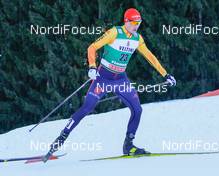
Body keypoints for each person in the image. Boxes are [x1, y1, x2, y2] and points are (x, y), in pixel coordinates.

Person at [43, 8, 176, 162]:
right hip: (103, 79)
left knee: (137, 110)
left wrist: (166, 74)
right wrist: (92, 67)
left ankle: (129, 146)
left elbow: (150, 57)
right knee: (87, 107)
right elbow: (92, 47)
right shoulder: (114, 32)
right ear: (126, 21)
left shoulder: (137, 39)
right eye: (133, 22)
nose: (136, 26)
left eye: (138, 23)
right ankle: (61, 139)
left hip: (120, 80)